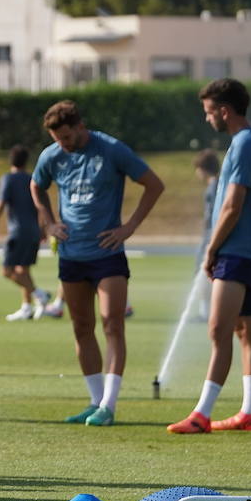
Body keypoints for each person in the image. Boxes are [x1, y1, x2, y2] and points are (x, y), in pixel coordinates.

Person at [30, 100, 164, 427]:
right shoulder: (52, 155)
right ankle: (94, 400)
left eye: (65, 137)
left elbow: (154, 184)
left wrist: (129, 227)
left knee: (112, 323)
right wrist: (48, 223)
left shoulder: (112, 149)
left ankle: (109, 404)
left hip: (108, 255)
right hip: (72, 255)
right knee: (81, 327)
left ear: (79, 126)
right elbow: (36, 185)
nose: (62, 144)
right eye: (56, 139)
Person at [169, 79, 251, 434]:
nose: (207, 118)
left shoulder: (243, 144)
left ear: (224, 110)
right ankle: (250, 412)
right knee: (246, 332)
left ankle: (202, 414)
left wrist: (212, 249)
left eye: (209, 112)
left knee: (218, 329)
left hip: (236, 251)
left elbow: (232, 204)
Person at [0, 144, 53, 321]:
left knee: (6, 270)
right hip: (32, 231)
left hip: (18, 231)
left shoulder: (8, 179)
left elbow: (0, 203)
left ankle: (39, 294)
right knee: (23, 270)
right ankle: (26, 308)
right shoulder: (33, 179)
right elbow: (41, 205)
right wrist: (43, 228)